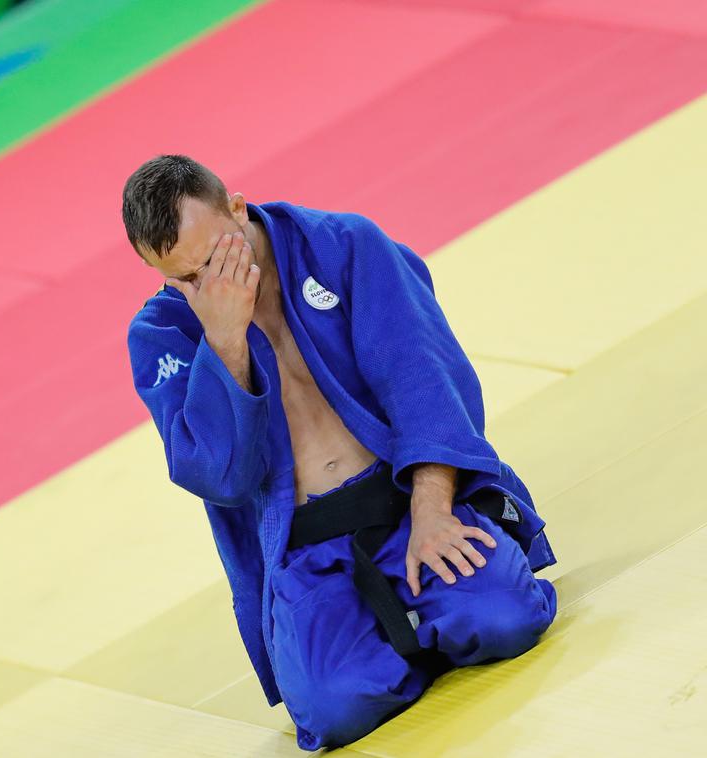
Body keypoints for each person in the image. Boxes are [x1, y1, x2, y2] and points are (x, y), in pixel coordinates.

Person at [122, 155, 557, 751]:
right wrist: (223, 340)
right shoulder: (163, 334)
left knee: (505, 620)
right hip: (305, 548)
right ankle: (397, 628)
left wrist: (434, 509)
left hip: (406, 501)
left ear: (237, 208)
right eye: (185, 278)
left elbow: (426, 379)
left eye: (216, 258)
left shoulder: (343, 245)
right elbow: (218, 477)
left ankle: (416, 616)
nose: (210, 286)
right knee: (334, 712)